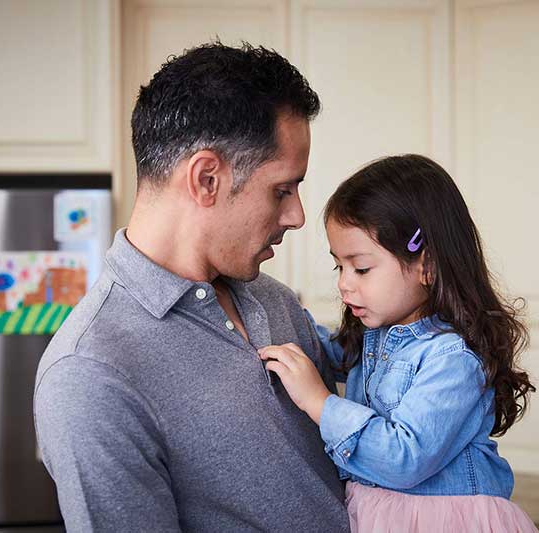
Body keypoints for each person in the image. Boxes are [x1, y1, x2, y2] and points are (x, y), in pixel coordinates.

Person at [33, 42, 350, 532]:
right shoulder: (90, 375)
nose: (298, 216)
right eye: (282, 190)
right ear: (206, 179)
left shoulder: (273, 299)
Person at [258, 154, 539, 532]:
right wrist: (267, 301)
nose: (344, 283)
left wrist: (320, 404)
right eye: (338, 266)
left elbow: (403, 458)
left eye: (361, 268)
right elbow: (318, 347)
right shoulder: (374, 336)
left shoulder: (452, 359)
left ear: (427, 265)